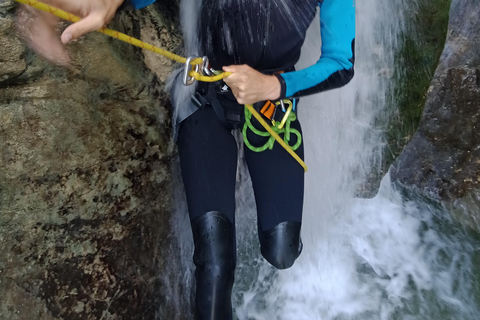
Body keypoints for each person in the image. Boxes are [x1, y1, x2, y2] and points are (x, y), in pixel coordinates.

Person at [19, 0, 355, 319]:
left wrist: (274, 86)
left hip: (273, 105)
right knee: (215, 262)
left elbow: (341, 63)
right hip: (205, 97)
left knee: (281, 251)